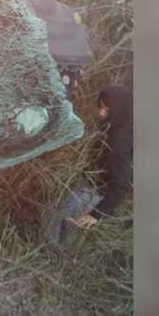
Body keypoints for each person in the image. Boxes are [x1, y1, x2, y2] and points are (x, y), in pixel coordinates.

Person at [47, 85, 134, 244]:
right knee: (64, 223)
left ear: (119, 110)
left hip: (93, 191)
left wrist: (97, 213)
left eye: (107, 109)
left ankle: (56, 256)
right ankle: (58, 254)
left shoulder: (118, 143)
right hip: (86, 184)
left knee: (62, 224)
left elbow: (121, 184)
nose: (101, 113)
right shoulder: (116, 124)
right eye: (100, 106)